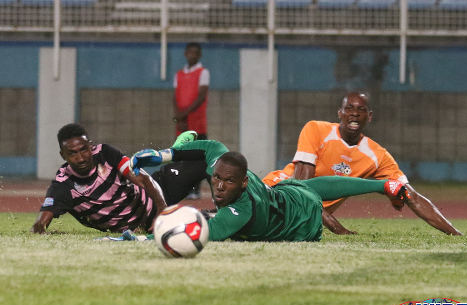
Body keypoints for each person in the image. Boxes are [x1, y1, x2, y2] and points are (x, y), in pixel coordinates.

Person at [262, 92, 462, 236]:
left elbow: (410, 195)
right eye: (349, 108)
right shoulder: (316, 130)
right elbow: (299, 192)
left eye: (361, 109)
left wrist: (455, 234)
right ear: (339, 113)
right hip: (273, 195)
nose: (355, 113)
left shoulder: (377, 155)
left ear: (370, 116)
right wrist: (336, 228)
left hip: (299, 219)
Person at [129, 139, 410, 241]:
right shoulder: (227, 168)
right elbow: (211, 147)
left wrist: (142, 239)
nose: (219, 186)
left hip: (301, 223)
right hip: (282, 193)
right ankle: (383, 186)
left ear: (243, 182)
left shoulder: (241, 210)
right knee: (303, 186)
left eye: (227, 182)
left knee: (310, 194)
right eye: (216, 179)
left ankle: (381, 185)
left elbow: (203, 233)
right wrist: (163, 154)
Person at [30, 124, 204, 235]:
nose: (81, 157)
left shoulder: (105, 153)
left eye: (84, 150)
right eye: (72, 153)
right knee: (204, 222)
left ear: (90, 147)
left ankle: (178, 151)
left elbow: (142, 179)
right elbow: (40, 224)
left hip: (159, 192)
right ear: (63, 155)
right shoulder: (64, 185)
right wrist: (42, 229)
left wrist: (162, 212)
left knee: (207, 161)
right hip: (141, 227)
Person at [172, 42, 210, 200]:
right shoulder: (178, 74)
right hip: (182, 124)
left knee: (198, 158)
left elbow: (201, 97)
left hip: (197, 123)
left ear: (199, 55)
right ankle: (186, 188)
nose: (192, 55)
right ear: (186, 53)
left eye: (195, 53)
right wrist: (178, 117)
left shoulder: (203, 72)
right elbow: (175, 97)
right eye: (190, 52)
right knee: (183, 157)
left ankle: (196, 189)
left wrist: (184, 115)